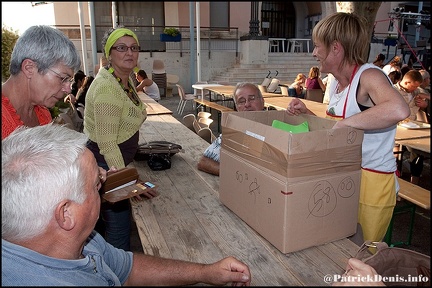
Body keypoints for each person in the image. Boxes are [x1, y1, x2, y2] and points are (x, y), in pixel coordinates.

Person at [1, 123, 252, 286]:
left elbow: (127, 268)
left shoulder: (78, 241)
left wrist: (206, 273)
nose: (105, 176)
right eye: (96, 184)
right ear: (66, 214)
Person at [286, 12, 410, 243]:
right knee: (339, 247)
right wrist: (308, 113)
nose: (313, 53)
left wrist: (345, 123)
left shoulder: (369, 75)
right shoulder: (336, 85)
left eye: (316, 47)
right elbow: (337, 128)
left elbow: (399, 110)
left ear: (335, 48)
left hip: (371, 183)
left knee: (364, 256)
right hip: (343, 176)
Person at [84, 26, 149, 251]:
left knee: (111, 224)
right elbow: (108, 143)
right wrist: (127, 183)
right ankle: (117, 274)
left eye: (133, 48)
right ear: (109, 53)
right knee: (119, 228)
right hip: (107, 165)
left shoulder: (123, 79)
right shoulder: (106, 89)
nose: (129, 53)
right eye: (121, 48)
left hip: (113, 162)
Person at [1, 25, 82, 140]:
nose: (68, 89)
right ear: (29, 68)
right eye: (63, 78)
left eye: (69, 81)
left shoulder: (43, 114)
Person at [197, 82, 265, 176]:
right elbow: (203, 162)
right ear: (237, 107)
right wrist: (236, 174)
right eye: (241, 101)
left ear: (262, 101)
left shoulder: (277, 127)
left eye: (252, 98)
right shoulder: (234, 130)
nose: (247, 104)